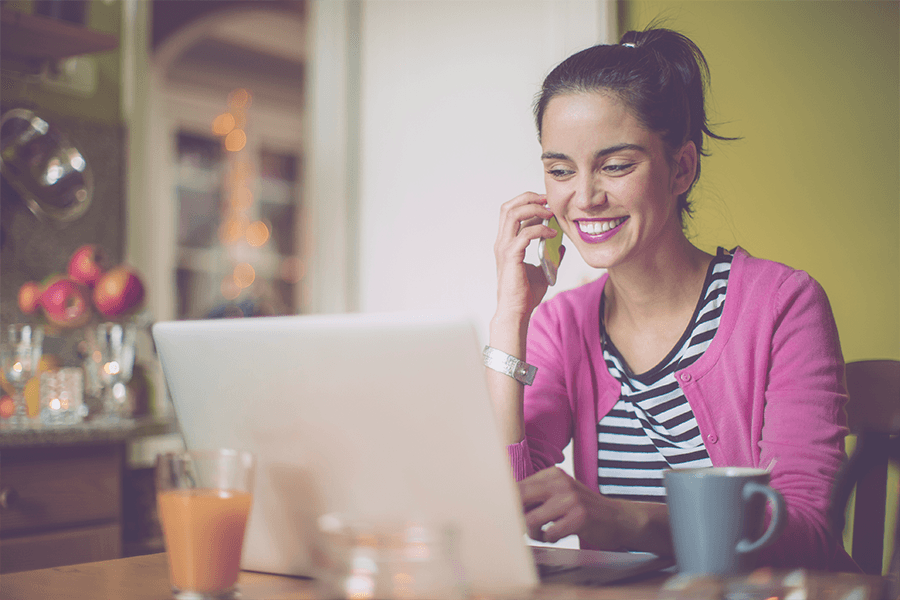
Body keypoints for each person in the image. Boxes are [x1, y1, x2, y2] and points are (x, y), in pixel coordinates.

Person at [486, 27, 855, 571]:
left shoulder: (782, 305)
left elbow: (807, 530)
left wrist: (624, 519)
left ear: (681, 167)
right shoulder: (562, 324)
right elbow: (502, 509)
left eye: (615, 165)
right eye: (560, 170)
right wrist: (510, 317)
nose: (583, 197)